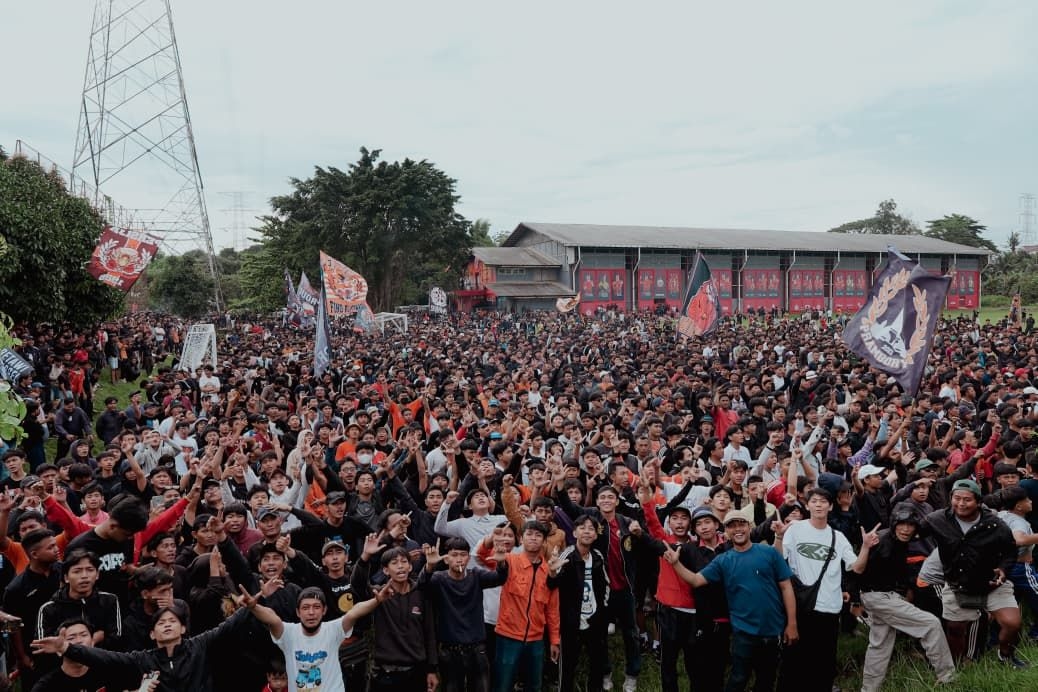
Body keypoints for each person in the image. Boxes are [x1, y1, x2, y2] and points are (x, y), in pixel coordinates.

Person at [665, 509, 797, 692]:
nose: (737, 530)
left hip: (772, 630)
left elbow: (786, 586)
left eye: (741, 524)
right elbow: (696, 580)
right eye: (732, 526)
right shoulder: (723, 561)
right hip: (743, 633)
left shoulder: (769, 552)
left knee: (766, 680)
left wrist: (792, 623)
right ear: (726, 532)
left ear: (749, 527)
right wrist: (676, 564)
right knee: (738, 679)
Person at [772, 488, 879, 692]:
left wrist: (865, 547)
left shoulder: (837, 537)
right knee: (792, 664)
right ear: (807, 505)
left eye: (824, 501)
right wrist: (778, 536)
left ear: (831, 506)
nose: (819, 505)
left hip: (829, 609)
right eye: (814, 501)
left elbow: (857, 567)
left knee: (824, 665)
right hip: (800, 606)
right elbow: (778, 559)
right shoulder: (795, 530)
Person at [31, 601, 250, 692]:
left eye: (172, 621)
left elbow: (227, 627)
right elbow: (105, 658)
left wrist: (252, 605)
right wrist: (67, 648)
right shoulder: (142, 659)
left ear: (183, 629)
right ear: (152, 633)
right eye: (161, 623)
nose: (167, 625)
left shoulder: (199, 646)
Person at [923, 479, 1024, 667]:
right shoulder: (938, 519)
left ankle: (1006, 655)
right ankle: (956, 666)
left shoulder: (994, 524)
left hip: (992, 583)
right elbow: (911, 532)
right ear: (951, 498)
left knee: (1012, 623)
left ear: (978, 502)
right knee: (955, 628)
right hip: (957, 583)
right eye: (957, 498)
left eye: (967, 500)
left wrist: (1003, 569)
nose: (961, 504)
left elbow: (1010, 550)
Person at [857, 509, 956, 691]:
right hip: (877, 597)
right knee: (931, 624)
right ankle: (947, 678)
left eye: (910, 525)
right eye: (901, 524)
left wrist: (906, 590)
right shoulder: (878, 540)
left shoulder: (902, 541)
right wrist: (854, 602)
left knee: (880, 644)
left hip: (886, 595)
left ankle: (869, 689)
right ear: (894, 524)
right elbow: (855, 570)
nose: (906, 529)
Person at [240, 583, 393, 692]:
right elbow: (272, 619)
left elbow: (355, 612)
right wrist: (254, 607)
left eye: (316, 607)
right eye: (305, 608)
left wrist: (376, 600)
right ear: (298, 612)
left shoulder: (333, 629)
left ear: (324, 610)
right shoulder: (288, 633)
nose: (311, 612)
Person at [419, 537, 504, 692]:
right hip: (449, 650)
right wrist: (429, 566)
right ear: (446, 559)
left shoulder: (476, 575)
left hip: (477, 647)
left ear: (468, 558)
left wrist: (502, 563)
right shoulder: (439, 578)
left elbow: (499, 578)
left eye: (463, 555)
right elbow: (422, 585)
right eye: (454, 555)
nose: (459, 559)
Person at [493, 520, 560, 692]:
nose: (533, 538)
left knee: (534, 686)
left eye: (538, 535)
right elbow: (481, 556)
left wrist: (554, 640)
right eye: (529, 534)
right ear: (521, 539)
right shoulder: (509, 560)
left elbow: (552, 610)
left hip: (536, 639)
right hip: (508, 636)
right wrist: (490, 544)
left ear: (544, 541)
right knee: (503, 685)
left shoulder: (550, 570)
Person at [549, 514, 610, 692]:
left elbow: (606, 584)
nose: (587, 531)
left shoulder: (597, 556)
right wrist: (552, 572)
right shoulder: (567, 554)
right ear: (574, 532)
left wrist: (603, 610)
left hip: (594, 620)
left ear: (596, 535)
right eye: (582, 527)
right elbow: (551, 585)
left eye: (591, 528)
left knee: (597, 664)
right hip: (571, 621)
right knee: (567, 665)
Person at [30, 618, 147, 692]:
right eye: (71, 637)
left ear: (92, 643)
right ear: (59, 650)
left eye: (83, 635)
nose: (79, 641)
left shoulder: (110, 672)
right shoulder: (46, 686)